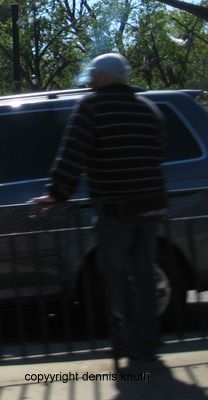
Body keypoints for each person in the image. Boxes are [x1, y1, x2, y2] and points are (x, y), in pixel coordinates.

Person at [31, 52, 167, 367]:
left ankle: (126, 339)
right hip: (151, 205)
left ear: (104, 77)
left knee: (115, 273)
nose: (90, 81)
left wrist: (55, 194)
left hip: (115, 207)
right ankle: (148, 339)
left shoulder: (91, 108)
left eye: (94, 75)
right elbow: (158, 153)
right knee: (145, 272)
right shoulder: (148, 109)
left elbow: (72, 155)